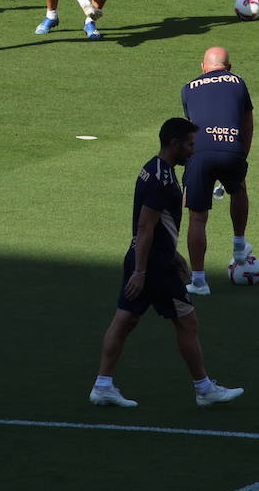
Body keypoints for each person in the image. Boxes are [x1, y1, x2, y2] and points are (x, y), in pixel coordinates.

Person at [89, 117, 244, 409]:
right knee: (187, 321)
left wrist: (172, 253)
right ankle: (204, 389)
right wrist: (142, 271)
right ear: (174, 144)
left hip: (147, 257)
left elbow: (156, 224)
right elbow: (145, 226)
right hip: (153, 266)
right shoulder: (161, 179)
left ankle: (102, 385)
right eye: (190, 145)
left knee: (125, 321)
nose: (193, 151)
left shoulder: (154, 169)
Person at [180, 47, 254, 296]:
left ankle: (199, 281)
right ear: (229, 68)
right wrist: (242, 157)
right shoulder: (238, 82)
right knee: (239, 189)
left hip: (200, 151)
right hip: (232, 147)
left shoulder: (188, 88)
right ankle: (239, 246)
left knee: (197, 217)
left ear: (203, 67)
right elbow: (247, 123)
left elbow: (190, 127)